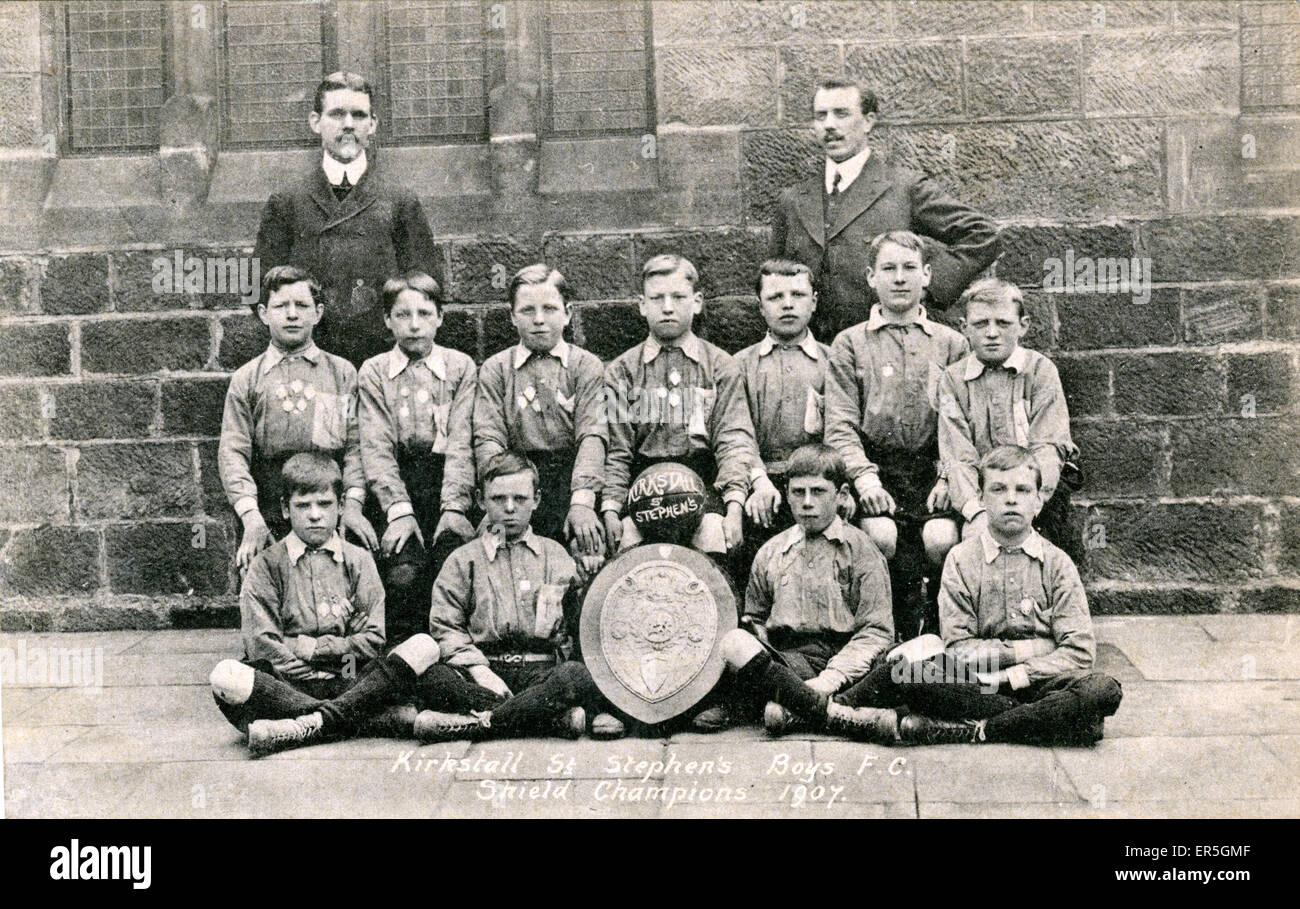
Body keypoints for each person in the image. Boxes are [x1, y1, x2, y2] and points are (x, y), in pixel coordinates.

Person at [831, 445, 1123, 746]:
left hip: (1040, 682)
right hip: (976, 684)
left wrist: (1014, 674)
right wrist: (1033, 648)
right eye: (998, 489)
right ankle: (1035, 721)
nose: (1011, 499)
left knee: (1102, 689)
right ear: (982, 500)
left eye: (1022, 490)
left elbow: (1079, 653)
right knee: (905, 674)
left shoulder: (1058, 564)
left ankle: (979, 728)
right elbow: (960, 650)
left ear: (1038, 502)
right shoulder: (961, 559)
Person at [209, 453, 441, 756]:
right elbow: (262, 644)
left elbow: (373, 640)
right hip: (291, 683)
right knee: (226, 676)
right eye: (303, 506)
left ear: (342, 506)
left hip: (351, 677)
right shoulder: (266, 566)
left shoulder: (359, 560)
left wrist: (309, 647)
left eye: (325, 504)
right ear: (284, 509)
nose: (315, 515)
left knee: (424, 647)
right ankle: (367, 717)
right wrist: (325, 661)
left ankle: (307, 723)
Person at [771, 80, 1000, 341]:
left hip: (885, 345)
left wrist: (924, 285)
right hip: (812, 351)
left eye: (841, 114)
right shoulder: (792, 200)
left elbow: (982, 234)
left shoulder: (904, 188)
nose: (830, 125)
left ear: (868, 121)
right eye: (820, 116)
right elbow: (774, 276)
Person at [413, 451, 618, 741]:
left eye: (520, 499)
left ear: (536, 499)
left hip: (540, 672)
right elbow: (446, 626)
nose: (509, 508)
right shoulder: (464, 560)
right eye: (498, 499)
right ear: (481, 500)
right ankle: (545, 720)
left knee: (575, 675)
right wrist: (479, 670)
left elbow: (579, 621)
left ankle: (482, 724)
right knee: (433, 678)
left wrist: (589, 580)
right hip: (484, 672)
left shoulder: (555, 556)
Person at [824, 230, 969, 637]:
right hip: (876, 468)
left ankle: (943, 632)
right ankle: (884, 635)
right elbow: (839, 424)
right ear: (871, 277)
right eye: (889, 269)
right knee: (880, 536)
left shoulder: (952, 344)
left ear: (926, 276)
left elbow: (959, 422)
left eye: (909, 269)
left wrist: (947, 475)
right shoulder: (850, 343)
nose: (900, 278)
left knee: (941, 538)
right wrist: (863, 477)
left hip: (932, 467)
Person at [696, 444, 896, 736]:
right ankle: (833, 714)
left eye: (818, 492)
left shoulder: (862, 550)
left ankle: (799, 707)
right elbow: (757, 619)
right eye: (797, 492)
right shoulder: (772, 551)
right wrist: (757, 637)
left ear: (841, 495)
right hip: (791, 661)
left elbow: (876, 631)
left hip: (849, 662)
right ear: (787, 493)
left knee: (904, 660)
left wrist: (832, 677)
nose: (806, 502)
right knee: (735, 642)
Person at [253, 72, 441, 367]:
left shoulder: (400, 201)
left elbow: (429, 287)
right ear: (316, 122)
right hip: (310, 358)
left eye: (359, 114)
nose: (349, 124)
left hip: (381, 359)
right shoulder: (286, 201)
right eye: (337, 114)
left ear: (373, 124)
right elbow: (257, 287)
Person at [218, 265, 377, 573]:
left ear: (317, 313)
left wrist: (353, 506)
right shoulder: (247, 379)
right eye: (281, 306)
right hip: (270, 501)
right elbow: (232, 453)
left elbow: (357, 446)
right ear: (264, 313)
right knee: (267, 586)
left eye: (301, 306)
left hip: (326, 498)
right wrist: (251, 517)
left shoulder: (341, 373)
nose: (292, 314)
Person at [601, 254, 760, 561]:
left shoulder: (719, 365)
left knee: (715, 535)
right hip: (642, 481)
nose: (668, 307)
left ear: (697, 301)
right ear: (642, 304)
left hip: (702, 476)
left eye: (678, 297)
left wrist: (735, 505)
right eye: (657, 298)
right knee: (628, 543)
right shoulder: (623, 370)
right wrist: (610, 507)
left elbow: (734, 439)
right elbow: (617, 449)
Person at [356, 272, 477, 643]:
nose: (414, 325)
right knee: (403, 572)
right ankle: (408, 659)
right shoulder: (375, 371)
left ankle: (454, 653)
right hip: (397, 490)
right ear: (387, 320)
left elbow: (461, 443)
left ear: (440, 317)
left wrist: (455, 508)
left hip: (448, 484)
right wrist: (399, 511)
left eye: (424, 314)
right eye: (403, 315)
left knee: (453, 562)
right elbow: (376, 447)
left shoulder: (460, 367)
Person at [473, 264, 607, 573]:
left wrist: (583, 503)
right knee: (500, 553)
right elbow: (489, 439)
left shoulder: (585, 366)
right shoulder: (496, 369)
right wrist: (499, 498)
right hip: (515, 480)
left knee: (587, 553)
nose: (538, 320)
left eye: (549, 308)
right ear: (512, 316)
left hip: (569, 479)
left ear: (568, 312)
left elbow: (592, 435)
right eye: (527, 310)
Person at [937, 277, 1081, 555]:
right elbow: (958, 455)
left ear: (1022, 325)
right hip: (980, 492)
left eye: (1002, 323)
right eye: (981, 324)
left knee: (1041, 547)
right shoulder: (953, 380)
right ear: (964, 328)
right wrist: (977, 512)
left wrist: (1030, 502)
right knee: (973, 538)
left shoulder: (1040, 371)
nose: (992, 333)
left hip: (1033, 494)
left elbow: (1048, 446)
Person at [734, 259, 829, 562]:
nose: (787, 305)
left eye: (798, 296)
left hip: (818, 478)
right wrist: (757, 480)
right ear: (760, 306)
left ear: (813, 302)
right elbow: (738, 433)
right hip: (762, 481)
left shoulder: (834, 361)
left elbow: (842, 430)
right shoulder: (740, 366)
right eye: (775, 297)